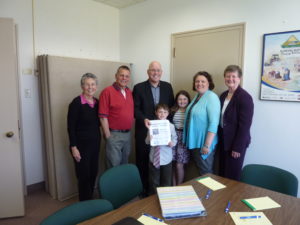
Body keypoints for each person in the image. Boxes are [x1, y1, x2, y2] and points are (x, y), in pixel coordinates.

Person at [133, 61, 174, 195]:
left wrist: (167, 129)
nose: (155, 73)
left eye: (158, 70)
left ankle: (163, 193)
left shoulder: (168, 87)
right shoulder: (138, 88)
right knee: (144, 160)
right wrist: (144, 119)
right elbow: (135, 109)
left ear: (161, 72)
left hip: (162, 133)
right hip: (144, 131)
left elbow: (171, 108)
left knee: (162, 164)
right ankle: (145, 190)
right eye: (153, 70)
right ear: (148, 71)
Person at [67, 73, 101, 201]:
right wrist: (73, 147)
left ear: (96, 86)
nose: (90, 87)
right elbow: (71, 127)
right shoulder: (76, 103)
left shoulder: (97, 102)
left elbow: (100, 122)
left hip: (95, 145)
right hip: (81, 146)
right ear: (82, 86)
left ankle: (90, 199)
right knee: (83, 176)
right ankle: (84, 204)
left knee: (93, 173)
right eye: (87, 84)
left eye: (93, 84)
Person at [218, 65, 254, 180]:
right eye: (228, 76)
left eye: (234, 76)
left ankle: (232, 198)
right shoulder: (223, 95)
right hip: (223, 140)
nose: (230, 79)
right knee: (222, 174)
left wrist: (237, 147)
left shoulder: (245, 97)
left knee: (232, 177)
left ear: (239, 78)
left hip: (236, 144)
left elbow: (245, 126)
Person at [183, 71, 220, 175]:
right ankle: (202, 191)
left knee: (206, 173)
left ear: (209, 83)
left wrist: (207, 145)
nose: (199, 84)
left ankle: (209, 192)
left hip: (203, 143)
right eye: (197, 81)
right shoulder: (197, 96)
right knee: (199, 171)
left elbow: (214, 123)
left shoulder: (211, 97)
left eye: (203, 81)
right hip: (195, 141)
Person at [98, 65, 134, 168]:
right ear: (116, 76)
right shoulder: (107, 92)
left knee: (124, 165)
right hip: (114, 135)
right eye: (121, 75)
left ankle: (122, 185)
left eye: (127, 76)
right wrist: (108, 136)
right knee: (113, 166)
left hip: (127, 135)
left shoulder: (129, 92)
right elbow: (102, 117)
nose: (124, 78)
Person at [145, 104, 177, 195]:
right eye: (160, 112)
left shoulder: (171, 126)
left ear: (168, 114)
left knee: (166, 181)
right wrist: (149, 138)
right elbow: (146, 142)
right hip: (154, 158)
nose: (162, 114)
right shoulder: (152, 125)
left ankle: (166, 201)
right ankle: (153, 200)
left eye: (165, 112)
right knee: (154, 182)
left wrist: (172, 143)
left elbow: (175, 138)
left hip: (166, 158)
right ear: (156, 113)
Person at [170, 90, 191, 185]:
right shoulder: (173, 110)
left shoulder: (190, 111)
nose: (182, 101)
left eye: (184, 99)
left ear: (188, 100)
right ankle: (173, 186)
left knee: (179, 164)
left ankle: (179, 185)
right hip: (173, 137)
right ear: (176, 100)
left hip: (184, 138)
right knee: (173, 163)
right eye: (180, 99)